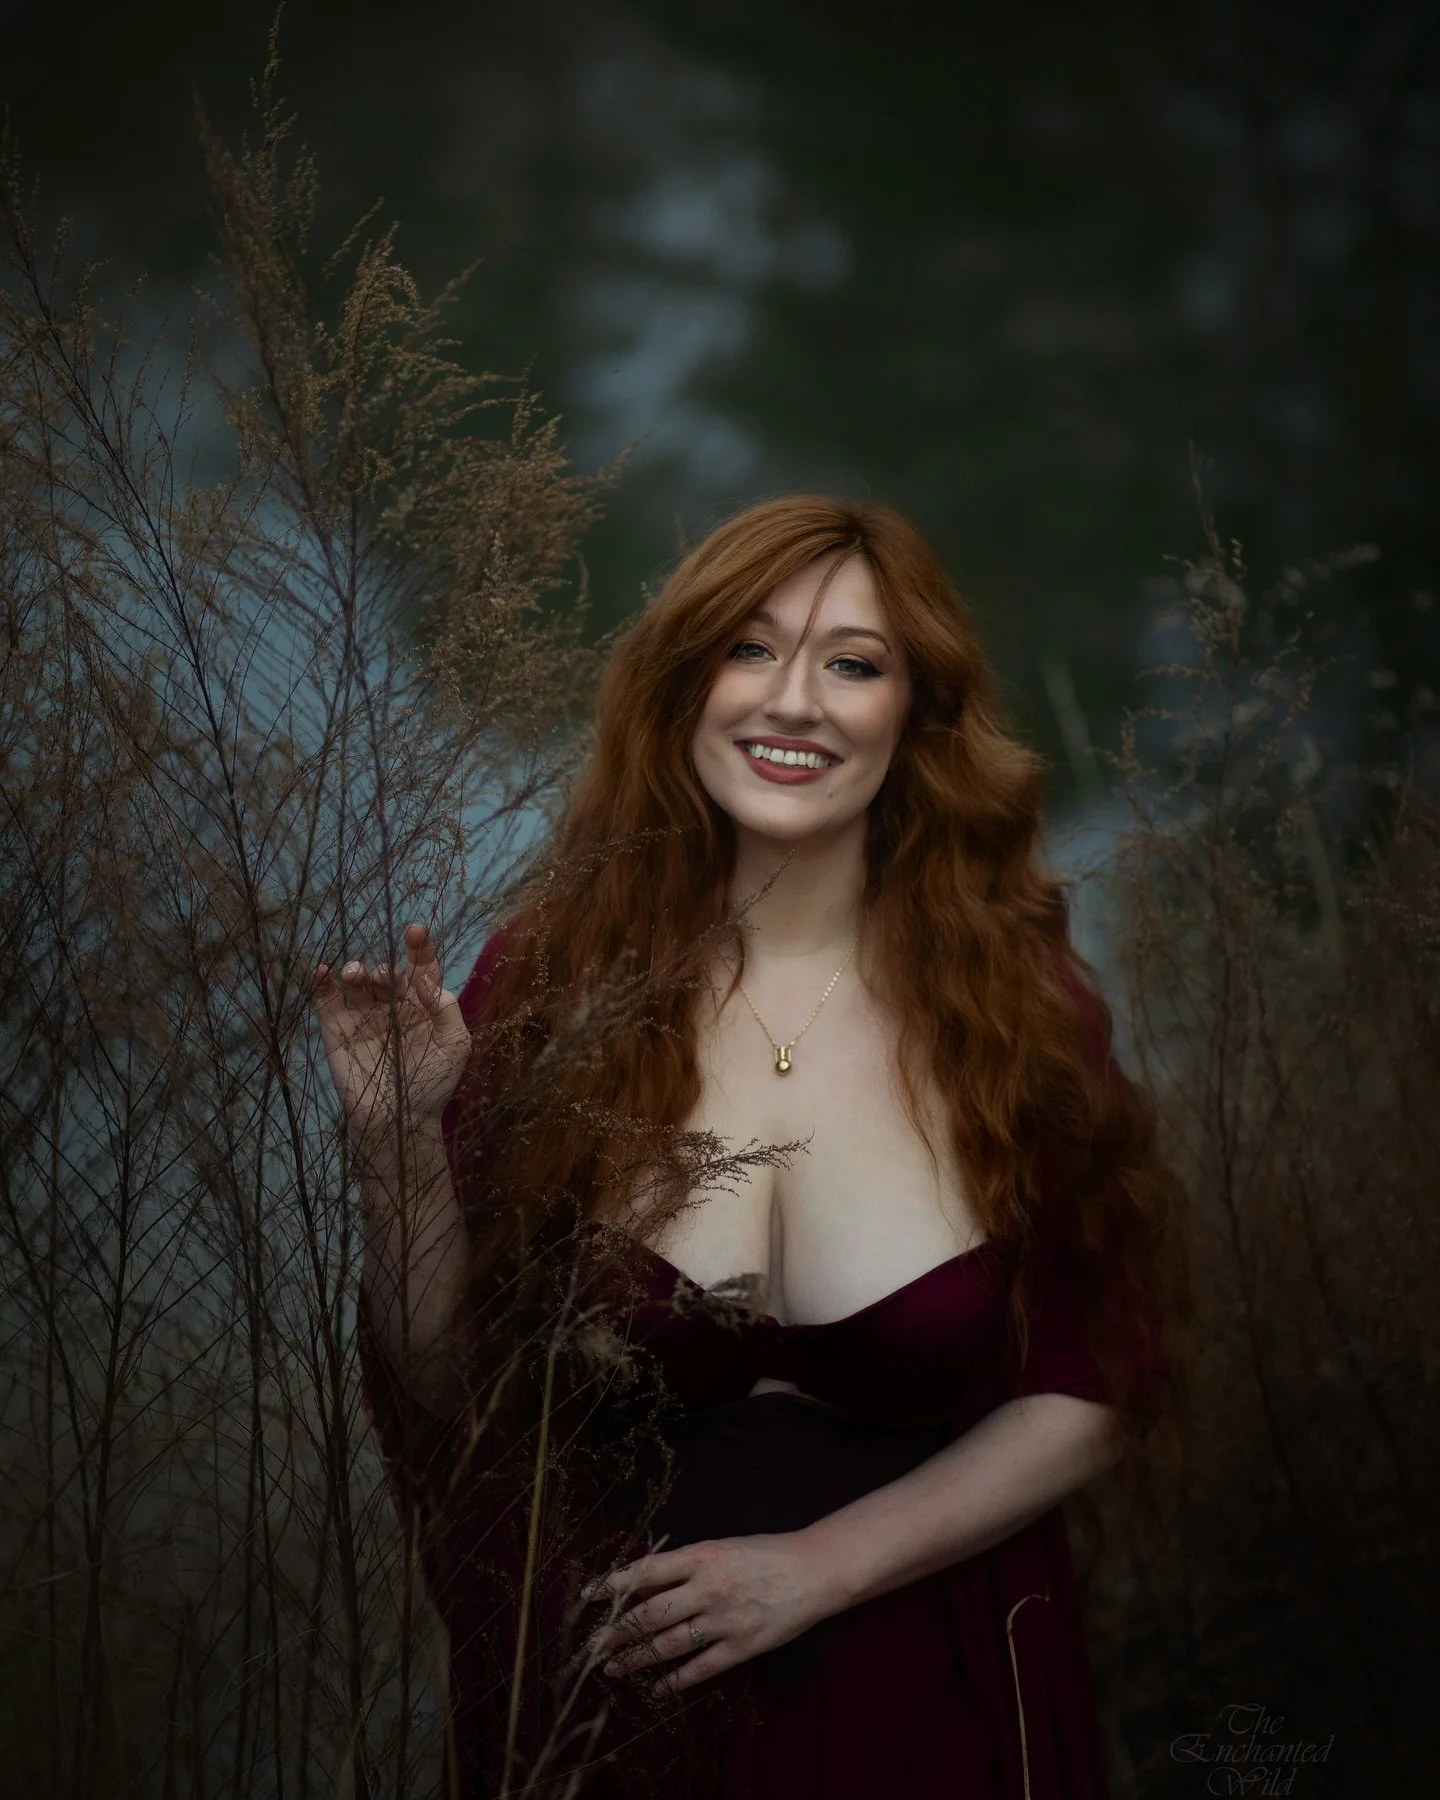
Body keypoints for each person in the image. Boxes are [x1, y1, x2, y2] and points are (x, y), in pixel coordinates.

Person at [311, 494, 1187, 1799]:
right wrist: (394, 1146)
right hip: (608, 1711)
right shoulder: (550, 986)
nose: (794, 701)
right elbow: (450, 1386)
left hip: (929, 1695)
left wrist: (817, 1569)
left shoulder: (1016, 1017)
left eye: (853, 664)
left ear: (918, 713)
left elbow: (1098, 1373)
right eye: (750, 649)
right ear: (684, 687)